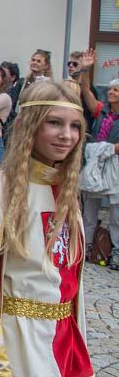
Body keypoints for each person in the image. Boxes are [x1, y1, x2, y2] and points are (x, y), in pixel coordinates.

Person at [0, 81, 91, 377]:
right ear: (28, 126)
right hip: (19, 345)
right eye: (54, 123)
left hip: (66, 344)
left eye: (74, 126)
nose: (66, 135)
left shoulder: (67, 193)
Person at [83, 78, 119, 270]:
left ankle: (116, 252)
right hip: (97, 163)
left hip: (115, 166)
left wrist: (108, 148)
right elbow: (87, 92)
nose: (111, 92)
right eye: (111, 89)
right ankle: (87, 246)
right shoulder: (102, 112)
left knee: (116, 213)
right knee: (90, 207)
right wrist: (86, 71)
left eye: (116, 90)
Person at [67, 49, 101, 137]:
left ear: (82, 67)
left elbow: (86, 89)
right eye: (69, 63)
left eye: (75, 64)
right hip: (67, 128)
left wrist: (86, 69)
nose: (71, 66)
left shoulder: (90, 89)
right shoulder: (67, 85)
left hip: (82, 132)